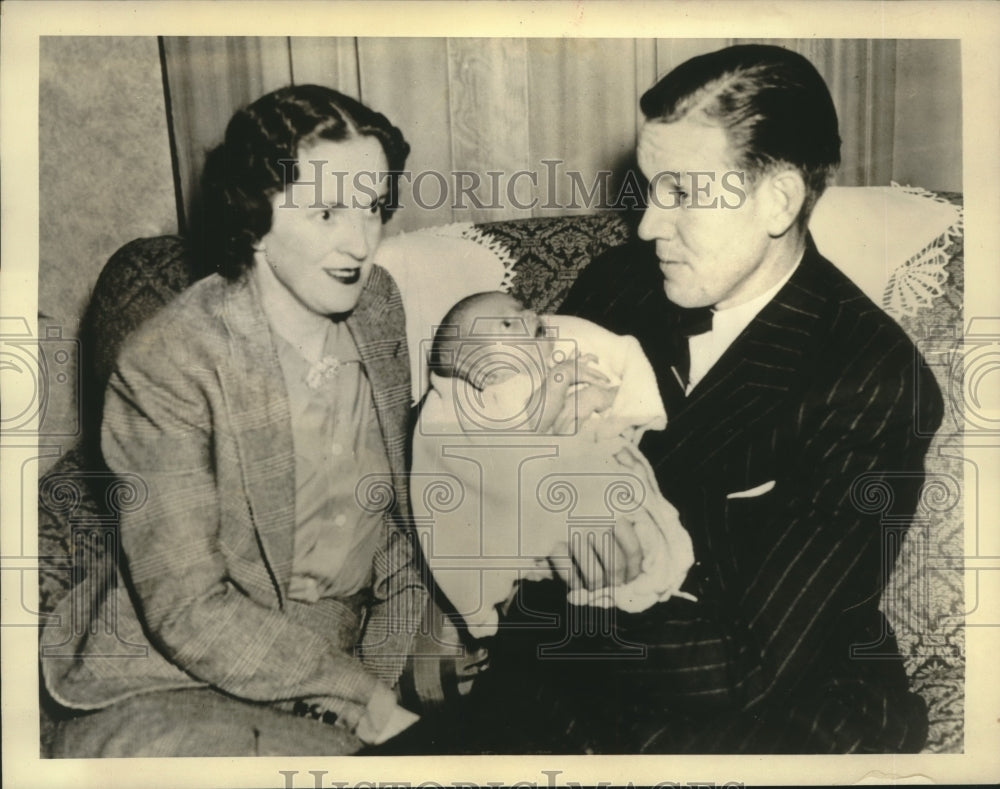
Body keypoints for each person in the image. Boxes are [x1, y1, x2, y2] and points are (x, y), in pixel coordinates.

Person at [374, 44, 944, 755]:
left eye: (680, 193)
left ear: (777, 200)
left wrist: (510, 608)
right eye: (649, 189)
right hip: (564, 685)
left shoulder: (871, 380)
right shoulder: (623, 284)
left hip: (752, 719)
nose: (645, 225)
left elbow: (742, 666)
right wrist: (442, 610)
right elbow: (487, 459)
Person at [40, 85, 484, 757]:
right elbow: (186, 608)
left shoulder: (377, 310)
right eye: (327, 211)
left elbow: (392, 513)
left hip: (337, 666)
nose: (359, 242)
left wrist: (404, 650)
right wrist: (363, 699)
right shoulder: (168, 362)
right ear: (254, 217)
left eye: (371, 208)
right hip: (169, 677)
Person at [411, 291, 694, 638]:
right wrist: (560, 380)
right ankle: (638, 594)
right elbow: (524, 431)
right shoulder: (496, 394)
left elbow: (617, 402)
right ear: (475, 364)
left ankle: (659, 581)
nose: (531, 316)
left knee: (653, 531)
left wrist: (599, 398)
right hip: (552, 511)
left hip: (606, 481)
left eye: (526, 309)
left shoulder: (554, 363)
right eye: (507, 322)